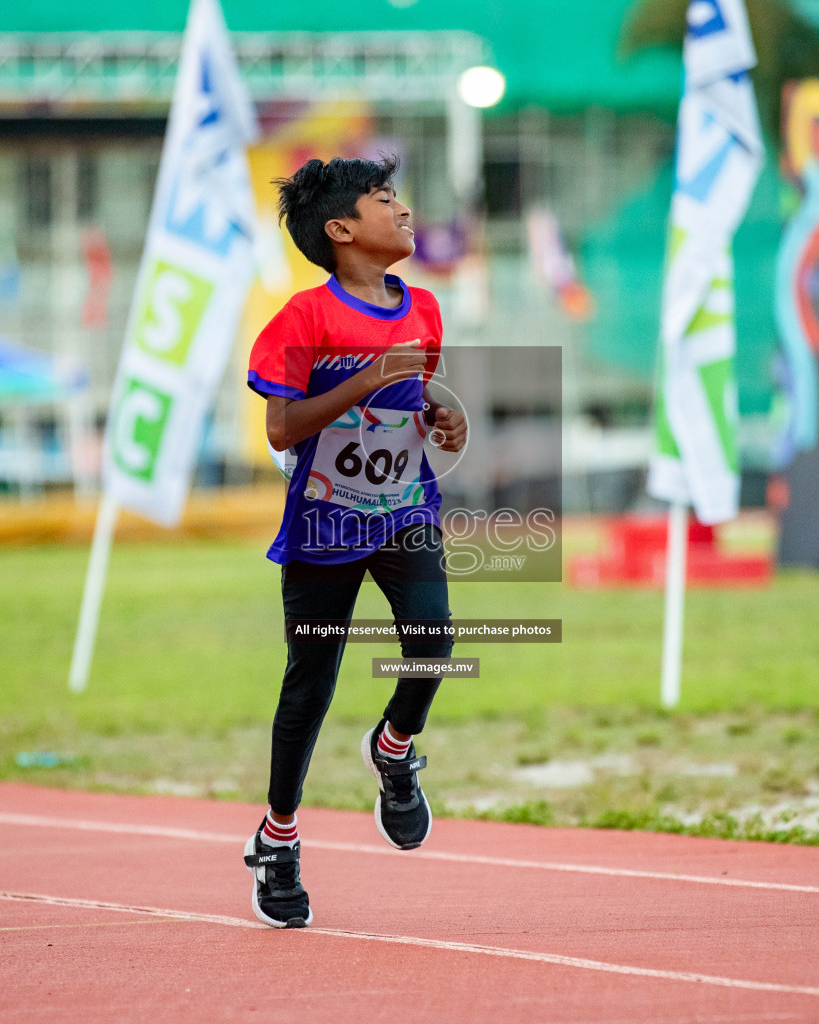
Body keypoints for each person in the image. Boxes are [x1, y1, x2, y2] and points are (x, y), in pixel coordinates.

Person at [242, 155, 467, 928]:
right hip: (324, 521)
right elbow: (281, 427)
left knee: (434, 638)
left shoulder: (425, 307)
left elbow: (413, 390)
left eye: (400, 197)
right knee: (311, 681)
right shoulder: (302, 320)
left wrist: (440, 411)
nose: (403, 211)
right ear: (341, 230)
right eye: (385, 200)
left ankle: (396, 749)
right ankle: (278, 840)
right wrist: (361, 382)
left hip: (403, 508)